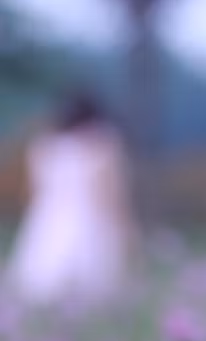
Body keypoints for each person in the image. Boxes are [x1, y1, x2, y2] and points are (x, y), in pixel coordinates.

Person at [6, 89, 139, 305]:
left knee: (40, 289)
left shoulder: (44, 145)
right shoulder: (102, 145)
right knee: (96, 294)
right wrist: (126, 229)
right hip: (90, 222)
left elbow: (33, 191)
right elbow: (111, 195)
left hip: (46, 221)